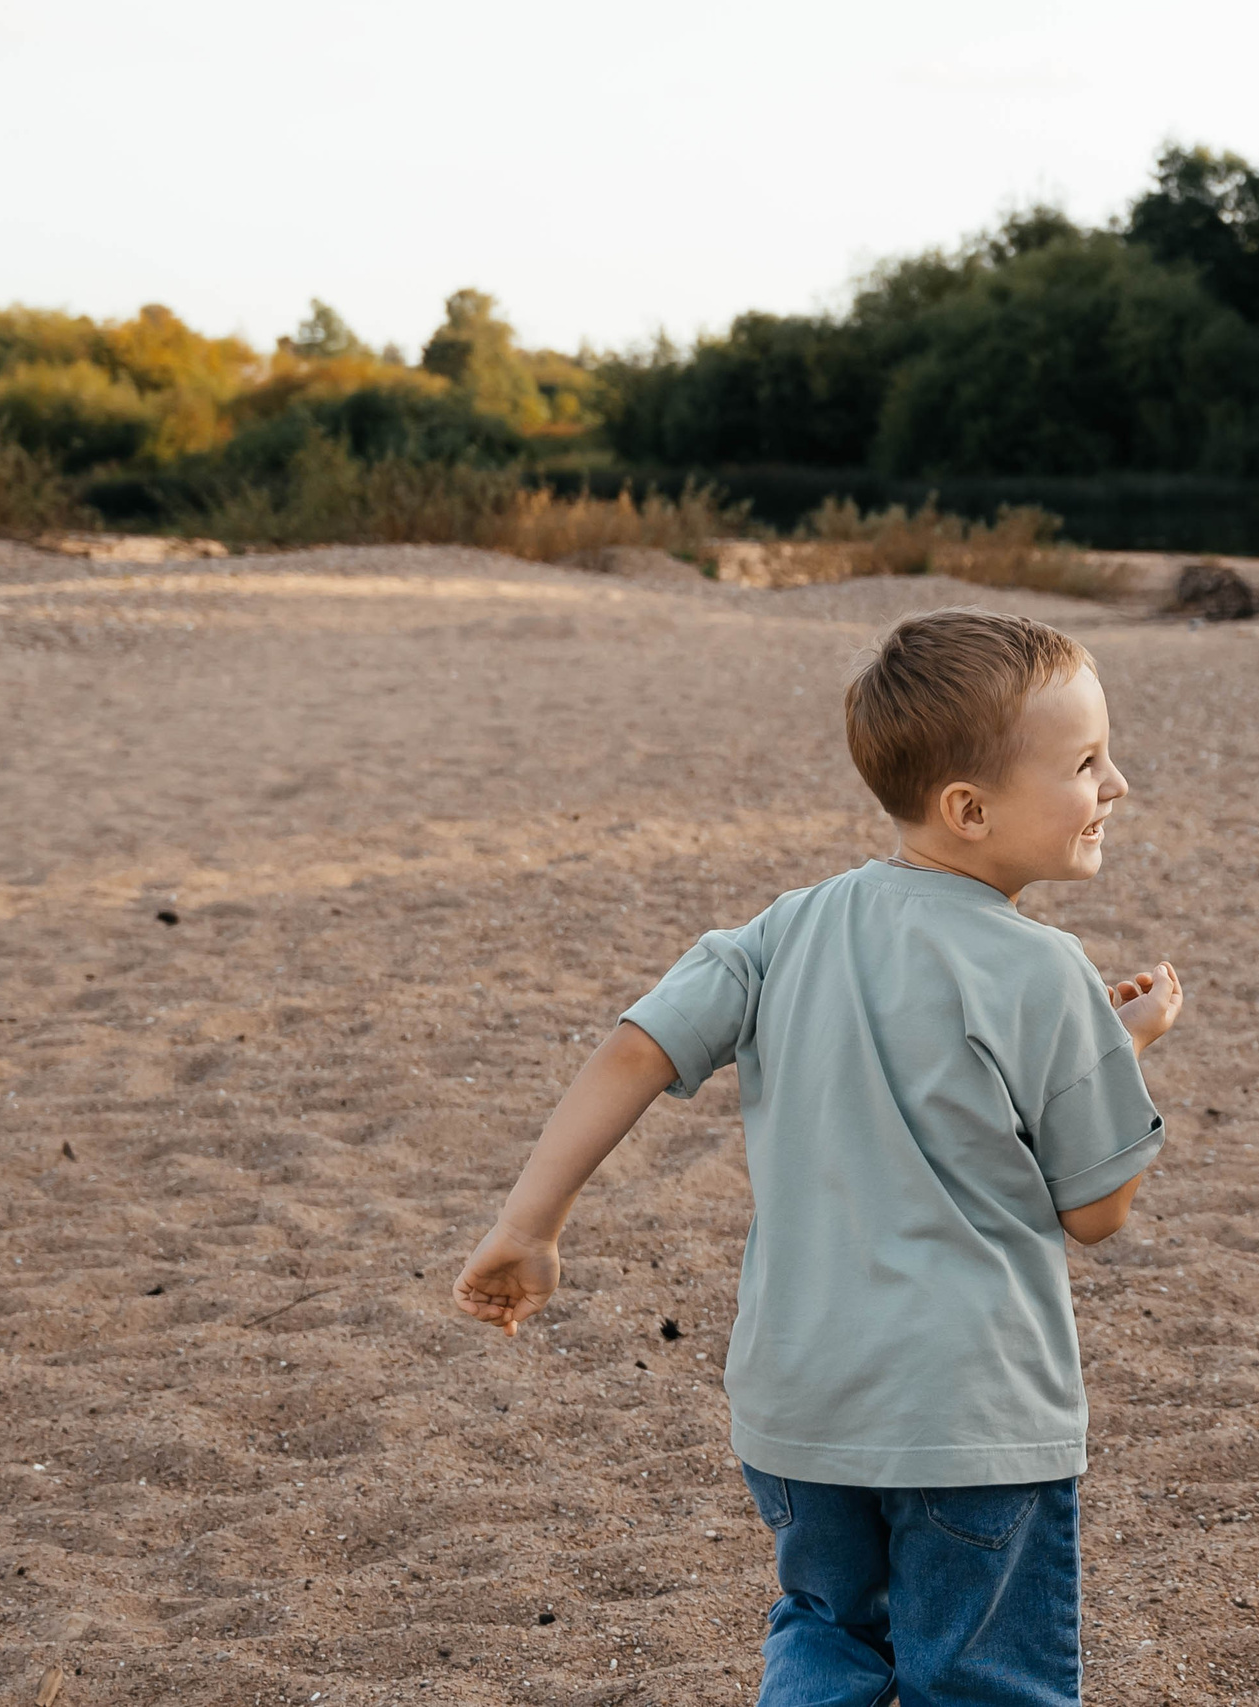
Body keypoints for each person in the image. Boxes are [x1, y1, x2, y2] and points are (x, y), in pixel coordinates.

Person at [453, 606, 1183, 1705]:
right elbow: (1099, 1209)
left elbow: (634, 1049)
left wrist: (530, 1224)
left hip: (799, 1409)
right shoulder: (1047, 975)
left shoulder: (784, 929)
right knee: (982, 1676)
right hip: (970, 1417)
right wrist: (1117, 1055)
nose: (1115, 784)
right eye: (1085, 763)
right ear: (969, 810)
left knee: (829, 1637)